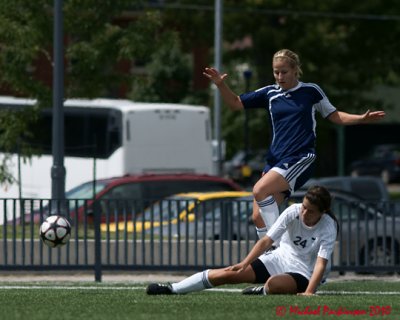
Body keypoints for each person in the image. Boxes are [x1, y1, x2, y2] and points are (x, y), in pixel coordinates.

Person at [203, 49, 385, 240]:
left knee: (259, 190)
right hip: (275, 161)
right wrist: (221, 84)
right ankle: (277, 254)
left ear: (295, 70)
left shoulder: (310, 91)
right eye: (276, 72)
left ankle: (279, 250)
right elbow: (235, 103)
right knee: (257, 217)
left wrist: (360, 119)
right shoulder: (270, 93)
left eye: (284, 72)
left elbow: (334, 115)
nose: (279, 76)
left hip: (300, 157)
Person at [146, 185, 338, 296]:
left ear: (323, 212)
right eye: (304, 207)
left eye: (310, 211)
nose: (304, 212)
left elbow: (321, 264)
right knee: (228, 274)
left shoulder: (329, 226)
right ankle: (173, 289)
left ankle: (262, 291)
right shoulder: (293, 211)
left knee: (274, 284)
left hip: (305, 272)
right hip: (279, 258)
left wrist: (309, 292)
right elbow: (266, 241)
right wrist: (244, 263)